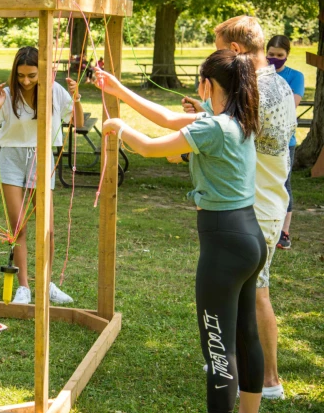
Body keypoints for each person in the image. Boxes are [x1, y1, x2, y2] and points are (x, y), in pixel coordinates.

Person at [94, 49, 265, 413]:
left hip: (224, 243)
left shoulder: (213, 126)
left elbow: (151, 148)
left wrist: (120, 128)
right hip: (248, 235)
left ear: (206, 84)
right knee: (246, 335)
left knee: (218, 346)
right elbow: (169, 117)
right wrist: (118, 90)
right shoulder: (236, 118)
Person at [182, 17, 296, 401]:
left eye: (217, 49)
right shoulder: (276, 81)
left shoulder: (252, 89)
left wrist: (204, 119)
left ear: (233, 52)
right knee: (250, 296)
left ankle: (268, 380)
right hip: (265, 200)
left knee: (256, 296)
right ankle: (243, 371)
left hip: (252, 205)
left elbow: (225, 132)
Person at [0, 46, 83, 305]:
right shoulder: (5, 93)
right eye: (21, 75)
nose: (25, 81)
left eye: (32, 75)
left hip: (41, 157)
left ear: (43, 73)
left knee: (47, 228)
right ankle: (23, 286)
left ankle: (46, 284)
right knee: (18, 228)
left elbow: (77, 124)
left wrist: (77, 98)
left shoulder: (55, 91)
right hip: (11, 159)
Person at [265, 35, 304, 249]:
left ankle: (284, 231)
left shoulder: (295, 76)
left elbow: (291, 106)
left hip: (285, 140)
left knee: (284, 183)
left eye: (280, 55)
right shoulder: (260, 75)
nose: (275, 58)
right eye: (271, 54)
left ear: (287, 55)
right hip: (260, 139)